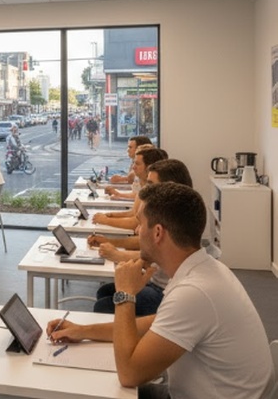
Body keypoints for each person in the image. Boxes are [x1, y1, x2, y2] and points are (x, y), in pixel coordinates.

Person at [48, 183, 275, 398]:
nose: (137, 230)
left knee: (93, 390)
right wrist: (83, 330)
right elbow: (150, 326)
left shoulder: (194, 292)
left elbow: (129, 374)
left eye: (140, 223)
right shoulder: (204, 269)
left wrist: (125, 294)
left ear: (157, 233)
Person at [90, 159, 193, 316]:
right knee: (106, 292)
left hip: (164, 291)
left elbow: (149, 258)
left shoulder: (172, 218)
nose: (146, 188)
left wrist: (117, 253)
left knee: (104, 305)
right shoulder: (167, 210)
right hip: (157, 283)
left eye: (151, 184)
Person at [92, 147, 166, 230]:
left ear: (149, 167)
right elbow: (133, 213)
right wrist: (111, 215)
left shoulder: (153, 191)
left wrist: (106, 220)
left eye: (137, 164)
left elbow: (135, 222)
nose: (133, 167)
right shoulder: (144, 187)